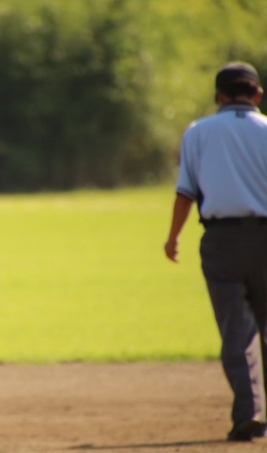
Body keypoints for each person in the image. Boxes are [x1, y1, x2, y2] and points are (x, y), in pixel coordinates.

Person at [164, 61, 267, 442]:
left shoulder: (199, 132)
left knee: (236, 332)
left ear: (219, 96)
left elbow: (185, 192)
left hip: (222, 240)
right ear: (257, 94)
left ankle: (249, 414)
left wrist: (173, 238)